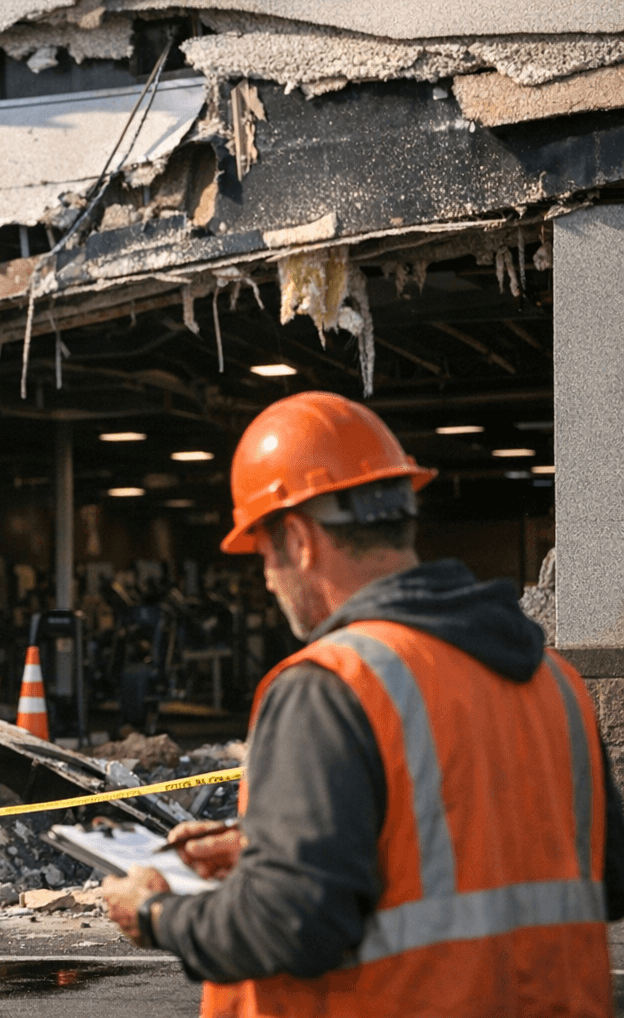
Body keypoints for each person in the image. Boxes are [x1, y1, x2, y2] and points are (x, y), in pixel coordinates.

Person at [99, 391, 623, 1017]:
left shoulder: (331, 685)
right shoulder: (554, 682)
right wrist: (284, 846)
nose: (267, 578)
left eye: (264, 553)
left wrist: (157, 913)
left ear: (297, 539)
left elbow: (291, 926)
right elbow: (594, 878)